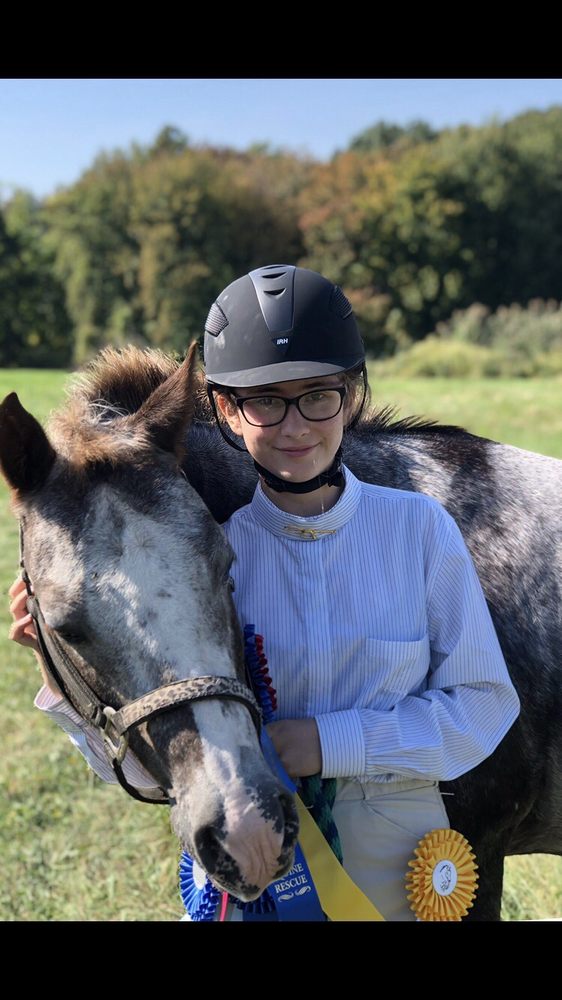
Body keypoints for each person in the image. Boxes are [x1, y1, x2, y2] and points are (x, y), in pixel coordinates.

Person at [9, 263, 520, 921]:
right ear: (224, 409)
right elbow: (149, 771)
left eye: (318, 396)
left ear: (350, 395)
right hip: (259, 877)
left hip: (409, 879)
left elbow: (483, 709)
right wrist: (66, 693)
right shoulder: (210, 561)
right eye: (265, 401)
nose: (294, 425)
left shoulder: (420, 529)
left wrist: (331, 743)